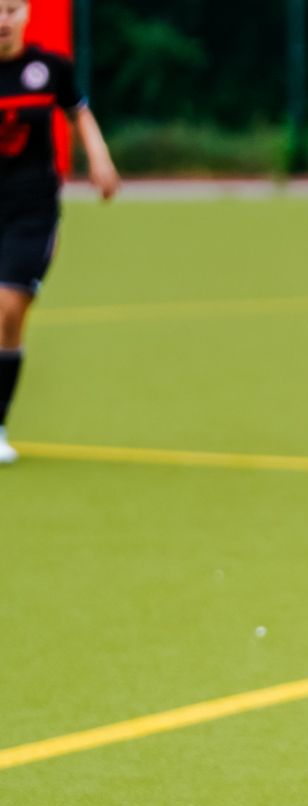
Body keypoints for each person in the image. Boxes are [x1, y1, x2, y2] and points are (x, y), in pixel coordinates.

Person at [0, 0, 117, 466]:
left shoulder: (49, 68)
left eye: (10, 10)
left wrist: (100, 158)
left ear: (27, 15)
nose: (2, 20)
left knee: (8, 310)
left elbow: (78, 112)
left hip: (31, 211)